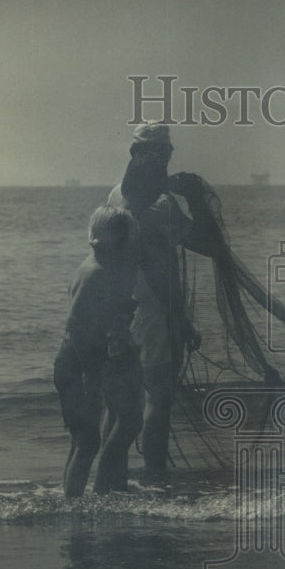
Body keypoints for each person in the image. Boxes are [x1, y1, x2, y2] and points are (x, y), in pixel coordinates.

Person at [107, 123, 224, 477]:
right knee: (158, 398)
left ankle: (112, 481)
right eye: (161, 154)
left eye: (165, 154)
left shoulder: (115, 195)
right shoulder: (161, 206)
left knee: (121, 405)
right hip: (154, 313)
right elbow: (209, 245)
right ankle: (155, 478)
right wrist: (197, 200)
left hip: (121, 311)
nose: (164, 161)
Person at [54, 205, 144, 497]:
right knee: (87, 441)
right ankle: (82, 500)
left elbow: (95, 316)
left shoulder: (98, 269)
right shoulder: (95, 274)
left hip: (80, 360)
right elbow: (76, 326)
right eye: (120, 244)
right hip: (77, 364)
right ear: (104, 242)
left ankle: (72, 499)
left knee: (84, 440)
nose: (123, 250)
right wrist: (92, 375)